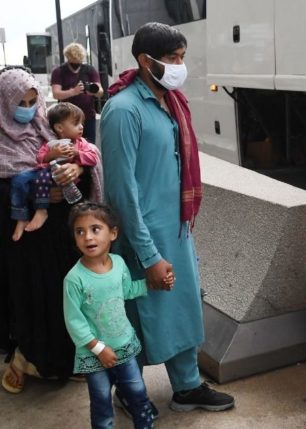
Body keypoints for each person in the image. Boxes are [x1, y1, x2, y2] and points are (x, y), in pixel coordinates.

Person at [101, 22, 235, 413]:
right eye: (172, 59)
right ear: (145, 61)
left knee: (183, 310)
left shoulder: (168, 101)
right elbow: (122, 193)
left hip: (176, 231)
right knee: (136, 318)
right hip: (142, 237)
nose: (179, 66)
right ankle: (129, 390)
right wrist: (149, 255)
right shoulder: (123, 111)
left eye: (181, 58)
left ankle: (188, 386)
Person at [0, 69, 104, 393]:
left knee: (63, 300)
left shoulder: (45, 127)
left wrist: (77, 168)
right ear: (1, 102)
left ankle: (65, 360)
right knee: (31, 300)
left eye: (31, 101)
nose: (26, 108)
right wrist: (29, 193)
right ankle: (25, 360)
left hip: (58, 238)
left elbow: (82, 156)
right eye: (19, 103)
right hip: (21, 244)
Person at [64, 202, 156, 429]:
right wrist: (99, 349)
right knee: (101, 403)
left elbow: (127, 291)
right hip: (94, 355)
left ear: (113, 233)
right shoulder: (74, 279)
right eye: (80, 231)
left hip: (124, 346)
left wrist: (152, 283)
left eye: (95, 229)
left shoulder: (119, 264)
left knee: (138, 393)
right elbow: (74, 321)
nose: (87, 237)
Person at [10, 102, 99, 241]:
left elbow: (93, 158)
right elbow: (40, 158)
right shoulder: (51, 143)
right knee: (21, 179)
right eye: (76, 123)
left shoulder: (81, 143)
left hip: (70, 193)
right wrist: (52, 154)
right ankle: (26, 214)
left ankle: (41, 209)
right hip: (48, 177)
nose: (81, 127)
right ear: (59, 128)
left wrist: (77, 156)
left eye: (82, 123)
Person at [51, 43, 104, 143]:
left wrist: (93, 91)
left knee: (88, 147)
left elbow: (100, 92)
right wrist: (73, 91)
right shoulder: (59, 71)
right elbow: (56, 94)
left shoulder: (90, 70)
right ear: (67, 58)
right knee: (67, 147)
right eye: (73, 62)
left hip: (88, 117)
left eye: (79, 61)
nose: (76, 65)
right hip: (66, 119)